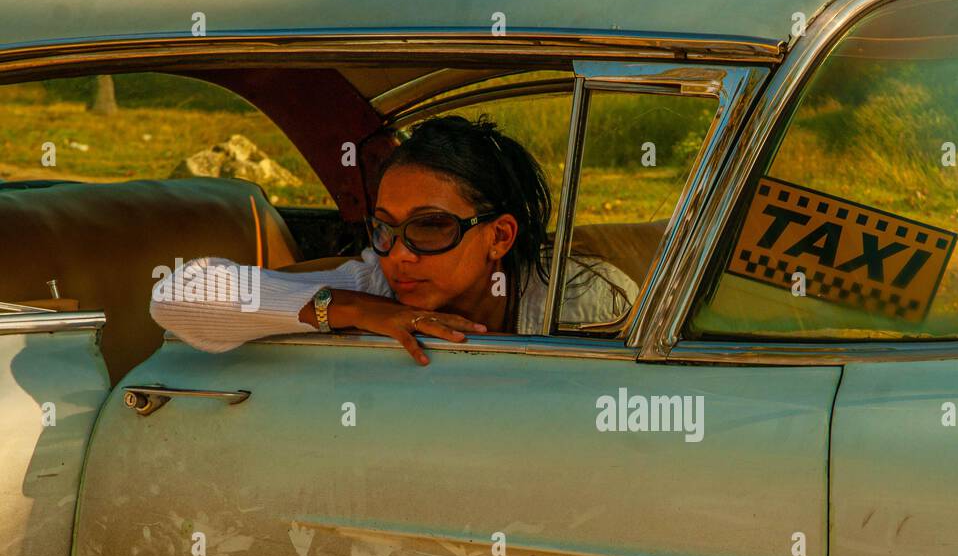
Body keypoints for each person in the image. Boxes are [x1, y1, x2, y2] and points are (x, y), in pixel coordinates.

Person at [150, 115, 638, 365]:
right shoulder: (374, 282)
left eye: (431, 227)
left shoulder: (585, 300)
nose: (400, 254)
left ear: (500, 236)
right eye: (385, 227)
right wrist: (361, 312)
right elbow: (181, 293)